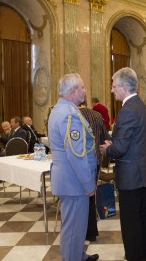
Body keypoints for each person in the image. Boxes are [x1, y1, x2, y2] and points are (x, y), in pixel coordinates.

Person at [99, 67, 146, 260]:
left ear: (123, 86)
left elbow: (121, 147)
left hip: (131, 176)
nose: (112, 90)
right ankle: (145, 256)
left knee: (130, 225)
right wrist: (117, 144)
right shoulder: (142, 107)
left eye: (114, 86)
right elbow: (134, 141)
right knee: (142, 221)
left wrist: (107, 148)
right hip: (143, 174)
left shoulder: (127, 111)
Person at [48, 74, 98, 261]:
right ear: (72, 91)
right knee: (73, 228)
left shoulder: (61, 109)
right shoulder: (69, 114)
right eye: (82, 87)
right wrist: (88, 184)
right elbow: (76, 155)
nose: (85, 91)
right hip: (74, 181)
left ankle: (79, 255)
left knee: (76, 225)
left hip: (69, 179)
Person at [78, 99, 108, 242]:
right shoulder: (97, 115)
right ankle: (91, 231)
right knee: (90, 196)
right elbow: (105, 138)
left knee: (79, 198)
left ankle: (81, 231)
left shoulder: (73, 115)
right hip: (95, 160)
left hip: (78, 161)